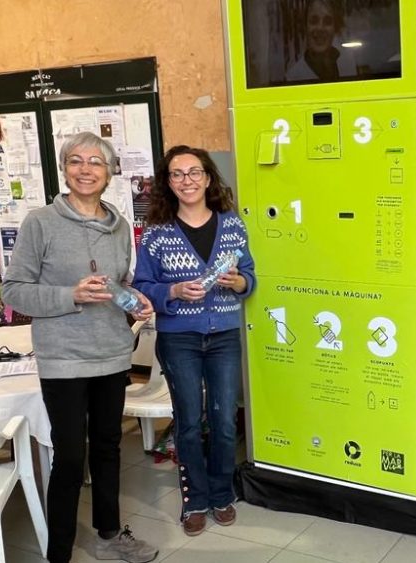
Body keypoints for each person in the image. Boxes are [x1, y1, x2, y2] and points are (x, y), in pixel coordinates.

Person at [2, 132, 158, 563]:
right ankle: (59, 552)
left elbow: (118, 282)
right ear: (65, 169)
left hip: (111, 352)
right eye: (76, 161)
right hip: (63, 358)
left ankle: (110, 533)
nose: (85, 169)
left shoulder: (120, 225)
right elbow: (14, 292)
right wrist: (70, 295)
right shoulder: (40, 222)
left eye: (96, 161)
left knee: (109, 448)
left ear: (109, 172)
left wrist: (134, 300)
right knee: (71, 456)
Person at [133, 146, 256, 537]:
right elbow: (142, 287)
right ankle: (195, 500)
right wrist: (172, 292)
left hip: (223, 335)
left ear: (207, 178)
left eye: (194, 172)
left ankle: (221, 494)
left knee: (222, 421)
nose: (186, 180)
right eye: (177, 174)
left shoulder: (232, 225)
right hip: (178, 337)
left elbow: (250, 277)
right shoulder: (156, 234)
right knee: (189, 423)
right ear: (168, 183)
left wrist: (238, 282)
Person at [286, 0, 357, 82]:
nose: (320, 28)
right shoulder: (293, 77)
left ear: (335, 27)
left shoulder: (348, 64)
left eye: (327, 22)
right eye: (314, 21)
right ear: (305, 27)